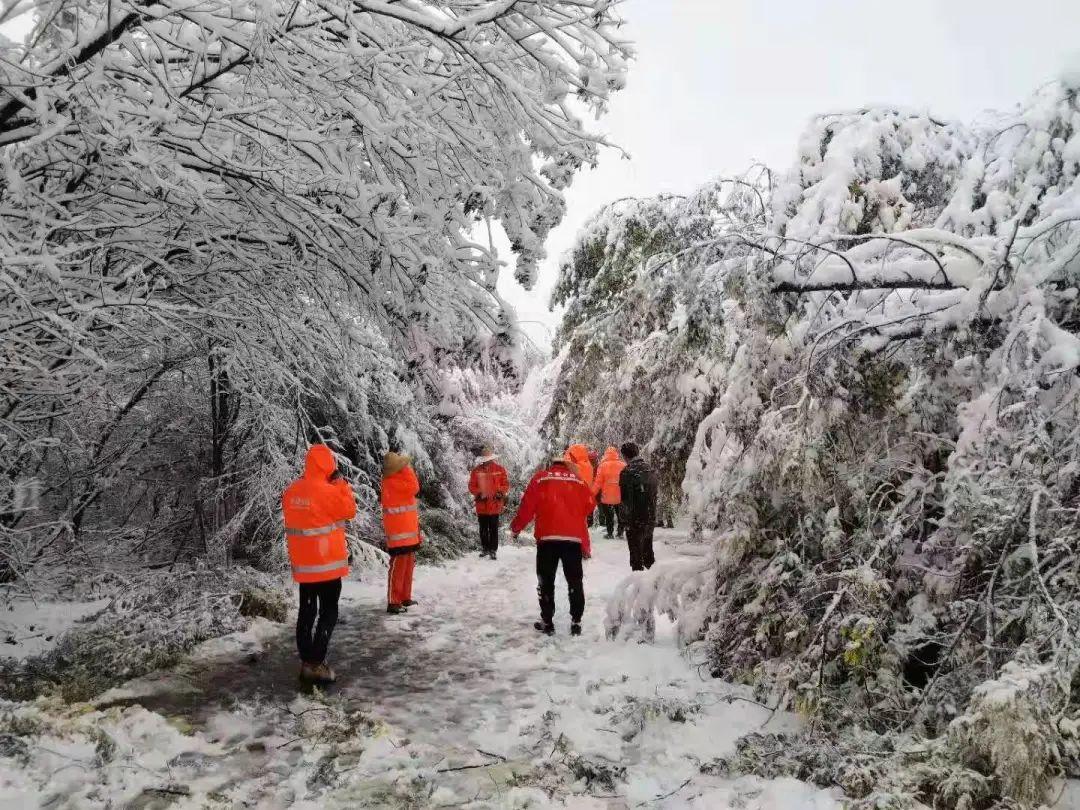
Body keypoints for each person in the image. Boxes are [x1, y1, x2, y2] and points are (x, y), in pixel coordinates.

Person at [282, 444, 356, 684]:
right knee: (328, 611)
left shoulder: (292, 491)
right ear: (328, 465)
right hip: (328, 566)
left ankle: (306, 661)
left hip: (305, 568)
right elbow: (349, 510)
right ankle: (317, 662)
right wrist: (341, 484)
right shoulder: (330, 491)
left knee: (306, 611)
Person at [510, 454, 594, 636]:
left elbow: (527, 506)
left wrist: (516, 528)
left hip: (547, 538)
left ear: (552, 465)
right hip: (572, 540)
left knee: (546, 580)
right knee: (575, 580)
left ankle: (547, 621)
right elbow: (589, 505)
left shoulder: (541, 478)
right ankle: (576, 621)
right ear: (567, 465)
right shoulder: (578, 481)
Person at [381, 452, 422, 614]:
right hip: (400, 532)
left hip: (407, 530)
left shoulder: (396, 480)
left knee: (407, 566)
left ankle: (404, 597)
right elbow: (414, 487)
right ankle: (393, 601)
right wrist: (407, 469)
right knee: (398, 567)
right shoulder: (392, 481)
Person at [618, 442, 658, 571]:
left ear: (625, 456)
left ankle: (639, 587)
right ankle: (653, 582)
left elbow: (625, 499)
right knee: (648, 552)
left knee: (636, 556)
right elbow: (654, 494)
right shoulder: (650, 469)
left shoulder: (627, 472)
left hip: (634, 519)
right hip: (649, 516)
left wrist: (623, 520)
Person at [469, 445, 510, 560]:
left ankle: (493, 550)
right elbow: (471, 486)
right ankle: (485, 548)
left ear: (492, 458)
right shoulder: (476, 471)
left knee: (493, 528)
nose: (487, 462)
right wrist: (478, 493)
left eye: (489, 459)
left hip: (495, 504)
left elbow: (506, 484)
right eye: (485, 460)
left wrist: (500, 493)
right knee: (483, 528)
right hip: (482, 505)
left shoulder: (500, 469)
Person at [564, 443, 596, 549]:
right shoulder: (588, 466)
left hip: (574, 497)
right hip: (584, 498)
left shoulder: (575, 466)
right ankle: (585, 548)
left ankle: (575, 546)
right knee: (582, 524)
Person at [592, 446, 626, 539]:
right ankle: (620, 533)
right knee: (620, 516)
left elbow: (598, 483)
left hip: (607, 497)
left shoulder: (602, 466)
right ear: (616, 454)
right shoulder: (623, 465)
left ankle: (610, 533)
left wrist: (591, 494)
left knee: (609, 517)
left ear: (606, 455)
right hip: (620, 497)